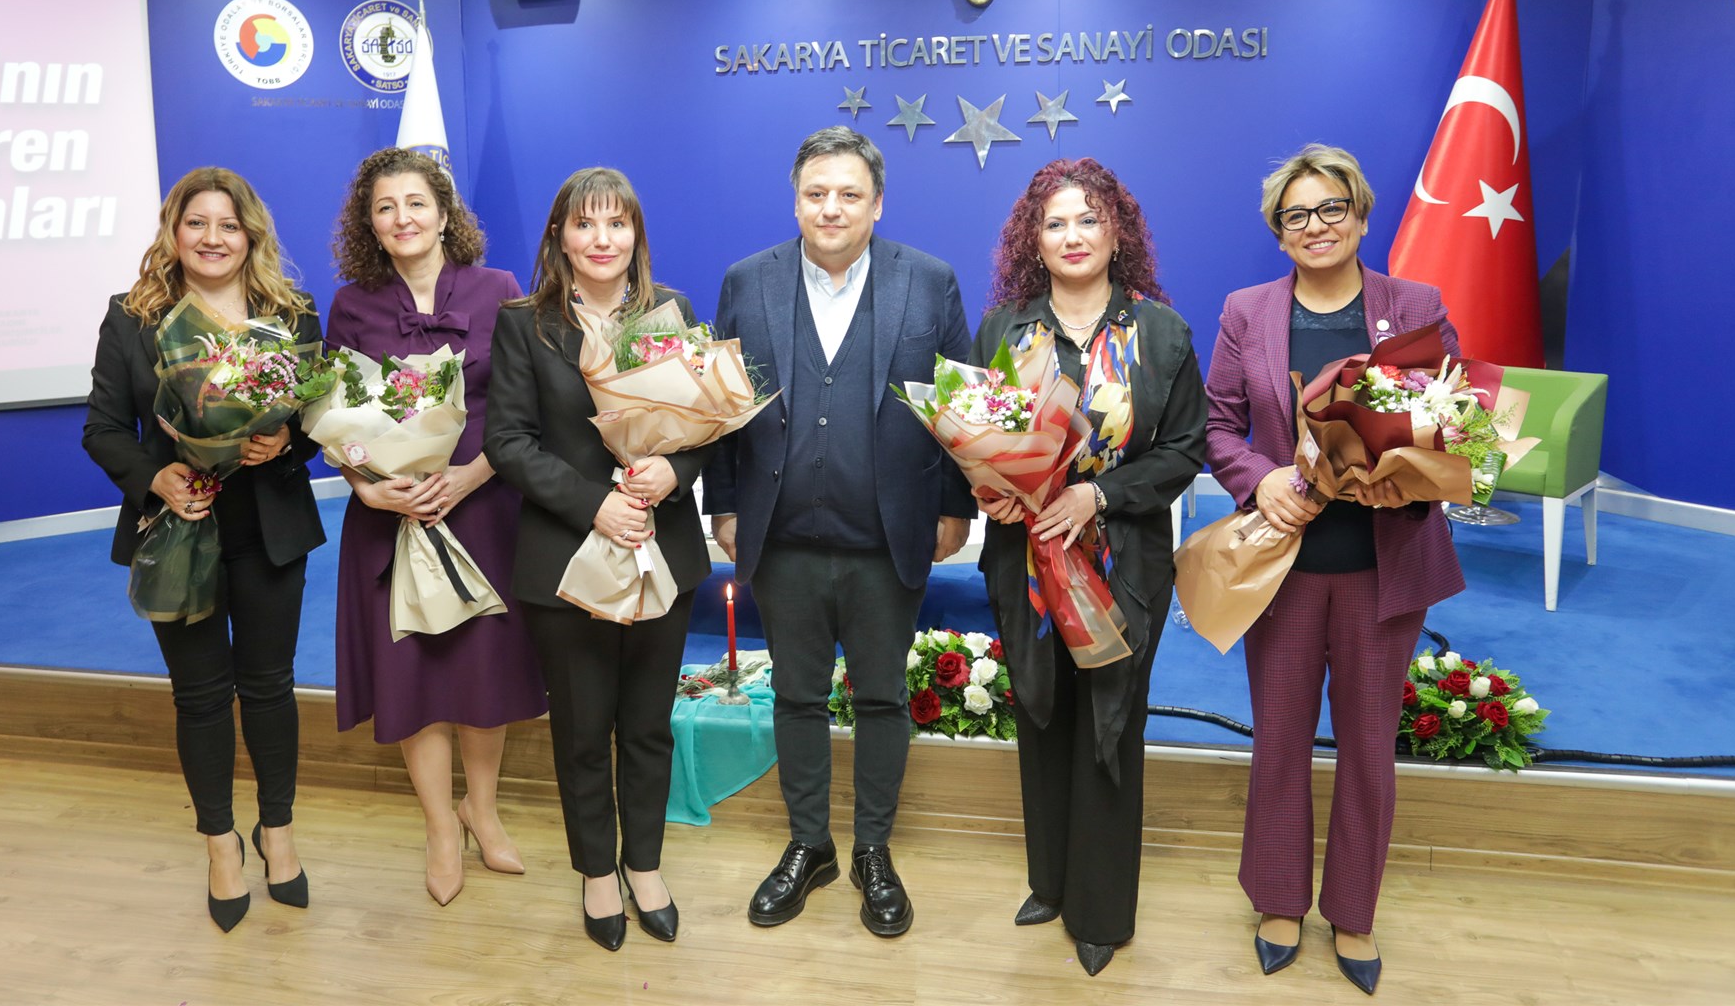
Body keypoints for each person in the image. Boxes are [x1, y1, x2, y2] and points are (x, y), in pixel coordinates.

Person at [1204, 144, 1466, 996]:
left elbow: (1455, 424)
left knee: (1368, 748)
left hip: (1384, 570)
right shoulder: (1247, 311)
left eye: (1331, 209)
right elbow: (1217, 427)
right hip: (1283, 567)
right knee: (1278, 738)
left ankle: (1354, 911)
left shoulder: (1415, 306)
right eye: (1296, 215)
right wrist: (1260, 478)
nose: (1315, 226)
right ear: (1277, 232)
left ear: (1360, 215)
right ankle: (1279, 899)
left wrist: (1410, 480)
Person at [704, 126, 975, 939]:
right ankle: (810, 845)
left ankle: (872, 851)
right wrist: (724, 503)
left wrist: (956, 507)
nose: (831, 207)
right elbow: (722, 405)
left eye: (849, 194)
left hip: (889, 538)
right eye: (816, 193)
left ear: (877, 203)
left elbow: (960, 404)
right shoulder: (747, 280)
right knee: (795, 696)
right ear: (795, 201)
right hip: (781, 537)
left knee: (884, 698)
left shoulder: (929, 281)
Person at [973, 158, 1207, 976]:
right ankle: (1050, 881)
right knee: (1041, 710)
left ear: (1117, 233)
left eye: (1088, 220)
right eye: (1055, 223)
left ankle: (1101, 908)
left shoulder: (1161, 333)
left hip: (1123, 561)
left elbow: (1185, 450)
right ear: (1032, 240)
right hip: (1025, 560)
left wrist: (1098, 495)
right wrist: (995, 491)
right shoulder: (1004, 330)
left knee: (1110, 720)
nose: (1072, 236)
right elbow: (977, 433)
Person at [82, 167, 325, 932]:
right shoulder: (134, 318)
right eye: (197, 223)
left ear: (250, 235)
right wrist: (155, 478)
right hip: (178, 531)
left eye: (228, 225)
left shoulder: (290, 313)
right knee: (199, 696)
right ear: (174, 231)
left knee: (270, 686)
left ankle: (277, 831)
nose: (213, 238)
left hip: (269, 531)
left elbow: (317, 417)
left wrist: (286, 440)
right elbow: (102, 429)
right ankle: (221, 843)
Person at [484, 167, 714, 951]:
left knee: (648, 726)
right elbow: (507, 442)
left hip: (661, 549)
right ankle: (596, 874)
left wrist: (673, 472)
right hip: (567, 558)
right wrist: (594, 504)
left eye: (617, 223)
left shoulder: (671, 313)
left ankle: (643, 865)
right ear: (560, 236)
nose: (602, 239)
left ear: (635, 235)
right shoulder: (525, 323)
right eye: (585, 224)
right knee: (583, 730)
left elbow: (707, 424)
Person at [324, 147, 548, 907]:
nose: (402, 218)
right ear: (369, 224)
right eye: (385, 208)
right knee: (414, 672)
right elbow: (334, 421)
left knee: (485, 669)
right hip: (391, 521)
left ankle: (482, 810)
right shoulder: (351, 305)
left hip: (484, 507)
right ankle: (439, 829)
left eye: (416, 203)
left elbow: (525, 406)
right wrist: (369, 489)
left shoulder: (500, 290)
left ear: (445, 213)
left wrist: (473, 474)